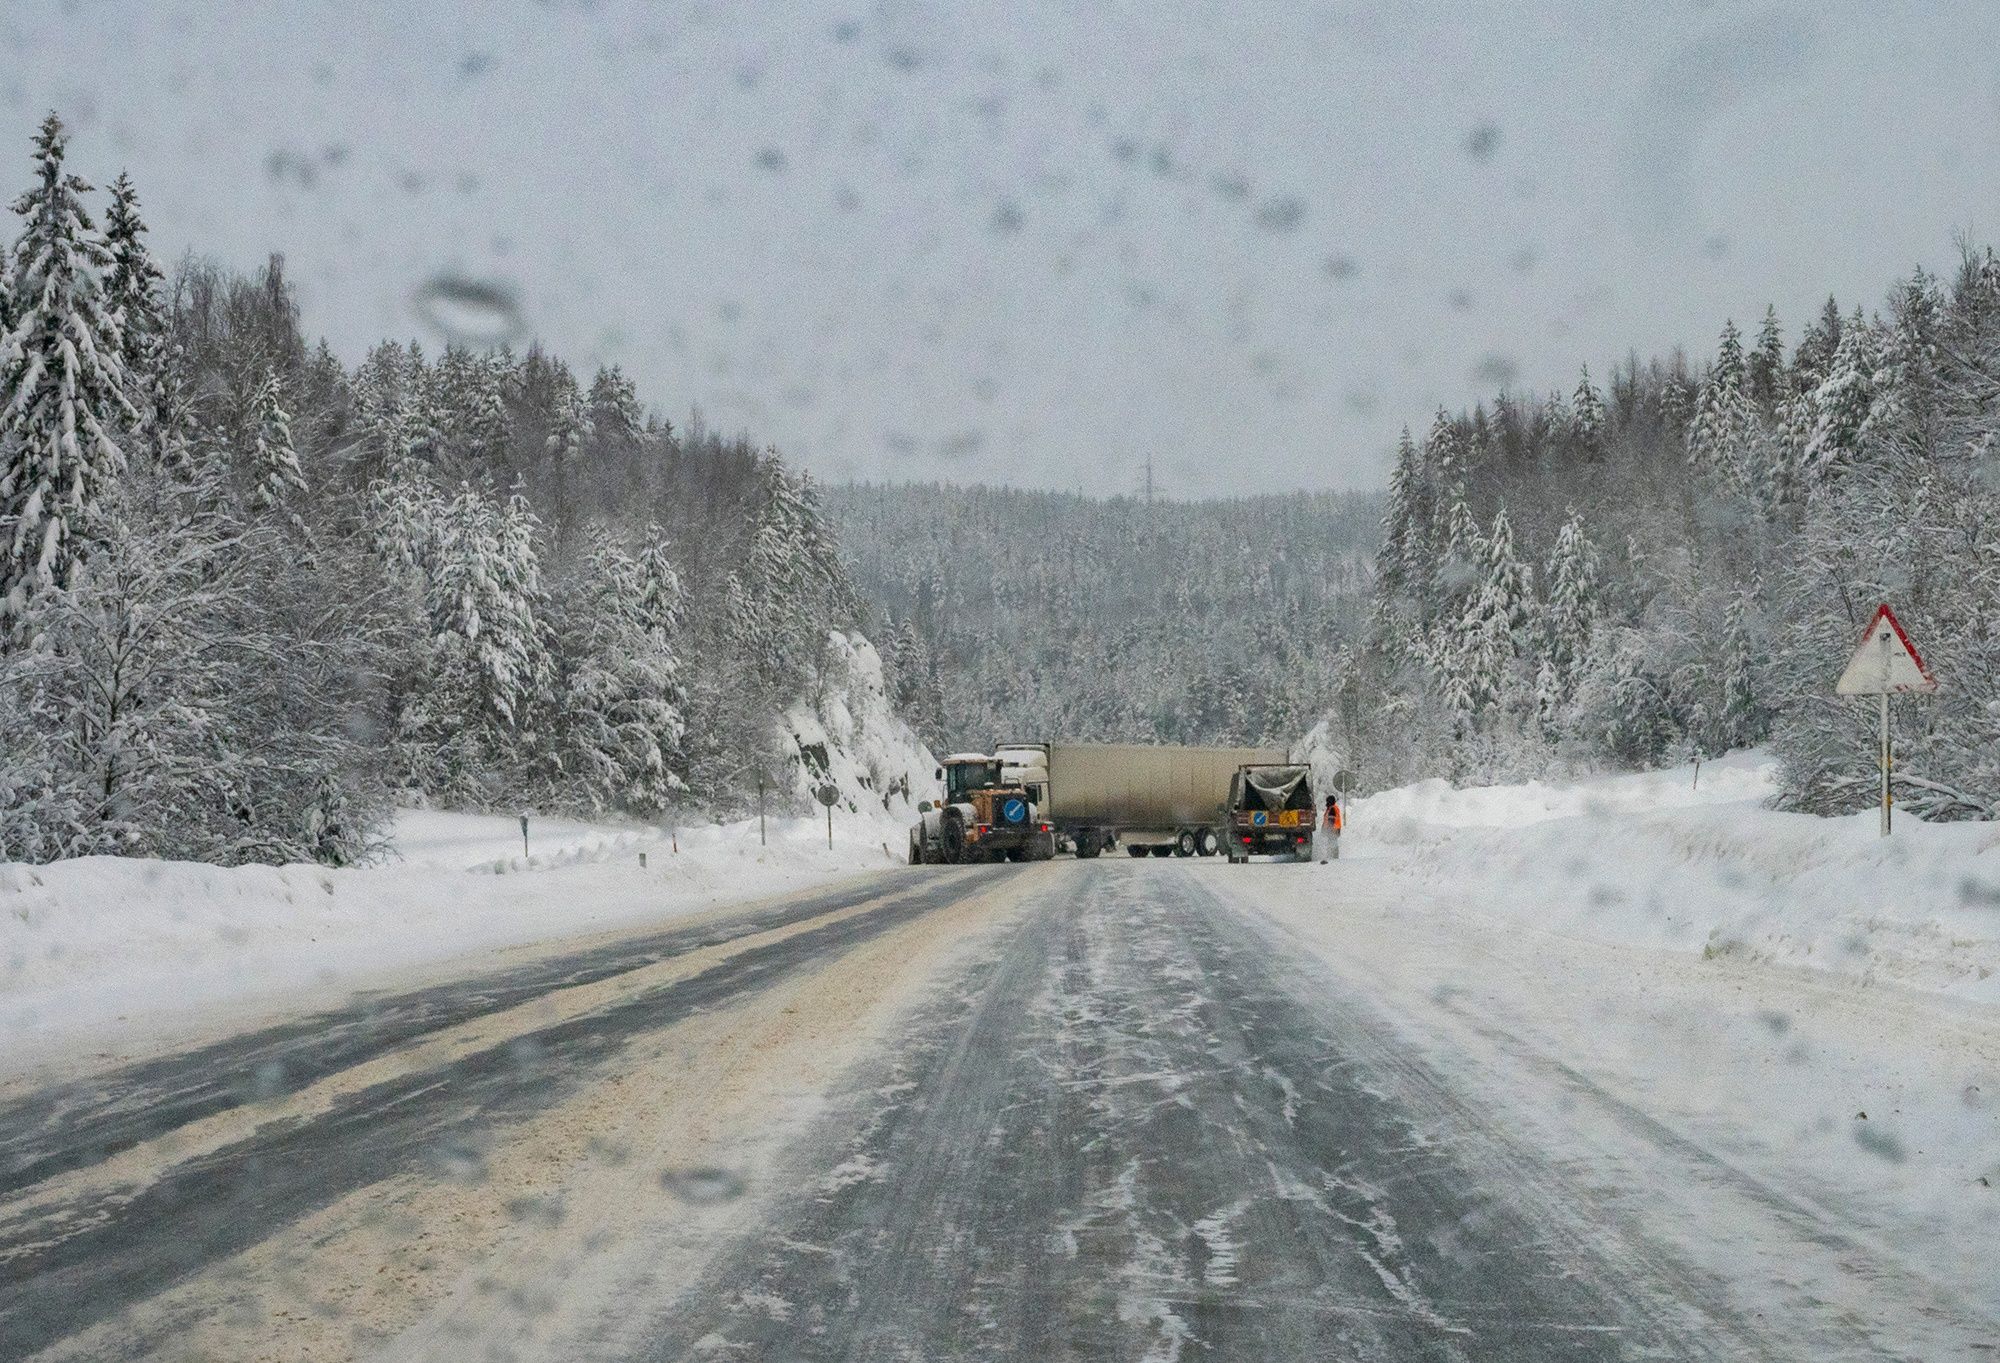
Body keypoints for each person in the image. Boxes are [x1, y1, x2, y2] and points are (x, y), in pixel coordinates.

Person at [1320, 793, 1343, 862]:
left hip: (1333, 829)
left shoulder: (1332, 809)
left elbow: (1331, 820)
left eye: (1327, 801)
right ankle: (1332, 856)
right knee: (1332, 842)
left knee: (1332, 843)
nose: (1326, 803)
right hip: (1335, 829)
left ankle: (1333, 857)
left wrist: (1327, 830)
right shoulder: (1332, 808)